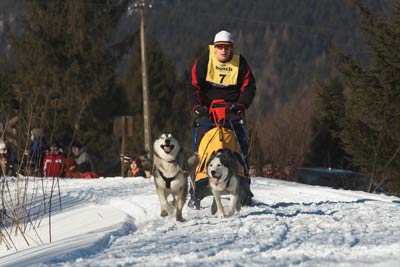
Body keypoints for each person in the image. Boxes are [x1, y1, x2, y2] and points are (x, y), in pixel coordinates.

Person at [190, 30, 256, 204]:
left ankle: (244, 180)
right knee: (201, 146)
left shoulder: (240, 63)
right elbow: (193, 86)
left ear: (231, 48)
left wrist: (241, 105)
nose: (223, 51)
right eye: (220, 47)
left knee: (241, 145)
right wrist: (197, 107)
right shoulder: (204, 60)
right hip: (207, 111)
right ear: (214, 47)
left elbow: (249, 87)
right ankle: (196, 182)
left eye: (226, 48)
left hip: (233, 110)